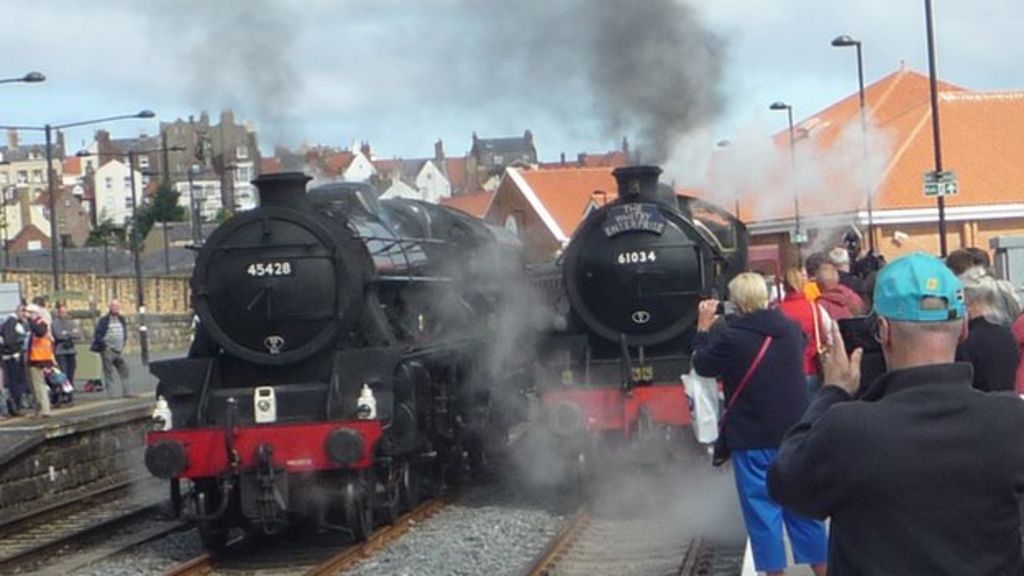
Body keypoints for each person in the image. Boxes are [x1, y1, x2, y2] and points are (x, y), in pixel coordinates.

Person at [768, 252, 1024, 575]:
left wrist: (832, 391)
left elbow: (784, 481)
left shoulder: (849, 428)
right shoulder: (1012, 422)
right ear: (962, 331)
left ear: (883, 330)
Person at [693, 272, 827, 576]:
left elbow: (703, 365)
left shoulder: (731, 338)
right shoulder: (791, 331)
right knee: (804, 511)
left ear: (736, 302)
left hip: (752, 438)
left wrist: (702, 329)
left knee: (762, 513)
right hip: (794, 434)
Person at [955, 266, 1019, 392]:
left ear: (967, 301)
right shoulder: (1008, 336)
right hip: (1010, 405)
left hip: (977, 407)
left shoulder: (965, 341)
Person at [777, 267, 832, 397]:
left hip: (787, 373)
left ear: (784, 286)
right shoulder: (815, 308)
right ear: (803, 285)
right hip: (812, 368)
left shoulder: (777, 312)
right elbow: (829, 335)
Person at [92, 299, 130, 398]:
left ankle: (127, 392)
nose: (115, 308)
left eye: (116, 306)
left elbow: (124, 332)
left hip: (119, 350)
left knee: (125, 370)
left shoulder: (121, 319)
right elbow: (98, 334)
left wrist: (123, 344)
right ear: (110, 307)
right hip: (108, 350)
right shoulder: (104, 320)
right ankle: (112, 395)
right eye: (113, 306)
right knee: (109, 373)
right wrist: (104, 346)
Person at [25, 302, 54, 418]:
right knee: (36, 385)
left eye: (29, 313)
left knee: (39, 385)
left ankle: (44, 410)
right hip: (37, 357)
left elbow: (40, 332)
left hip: (39, 358)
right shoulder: (38, 323)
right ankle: (39, 409)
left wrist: (30, 321)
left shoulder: (40, 323)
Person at [1, 300, 30, 415]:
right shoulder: (11, 323)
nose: (26, 315)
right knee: (15, 383)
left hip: (14, 357)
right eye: (24, 312)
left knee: (17, 383)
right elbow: (9, 341)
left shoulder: (16, 323)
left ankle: (15, 407)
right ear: (19, 310)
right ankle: (14, 407)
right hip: (13, 358)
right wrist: (19, 345)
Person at [51, 301, 82, 391]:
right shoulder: (55, 323)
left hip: (71, 351)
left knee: (71, 373)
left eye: (65, 312)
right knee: (63, 374)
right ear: (58, 313)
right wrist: (71, 333)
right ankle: (64, 393)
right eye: (61, 312)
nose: (64, 314)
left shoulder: (71, 322)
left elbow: (79, 334)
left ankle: (70, 393)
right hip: (61, 352)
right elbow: (59, 335)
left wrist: (66, 333)